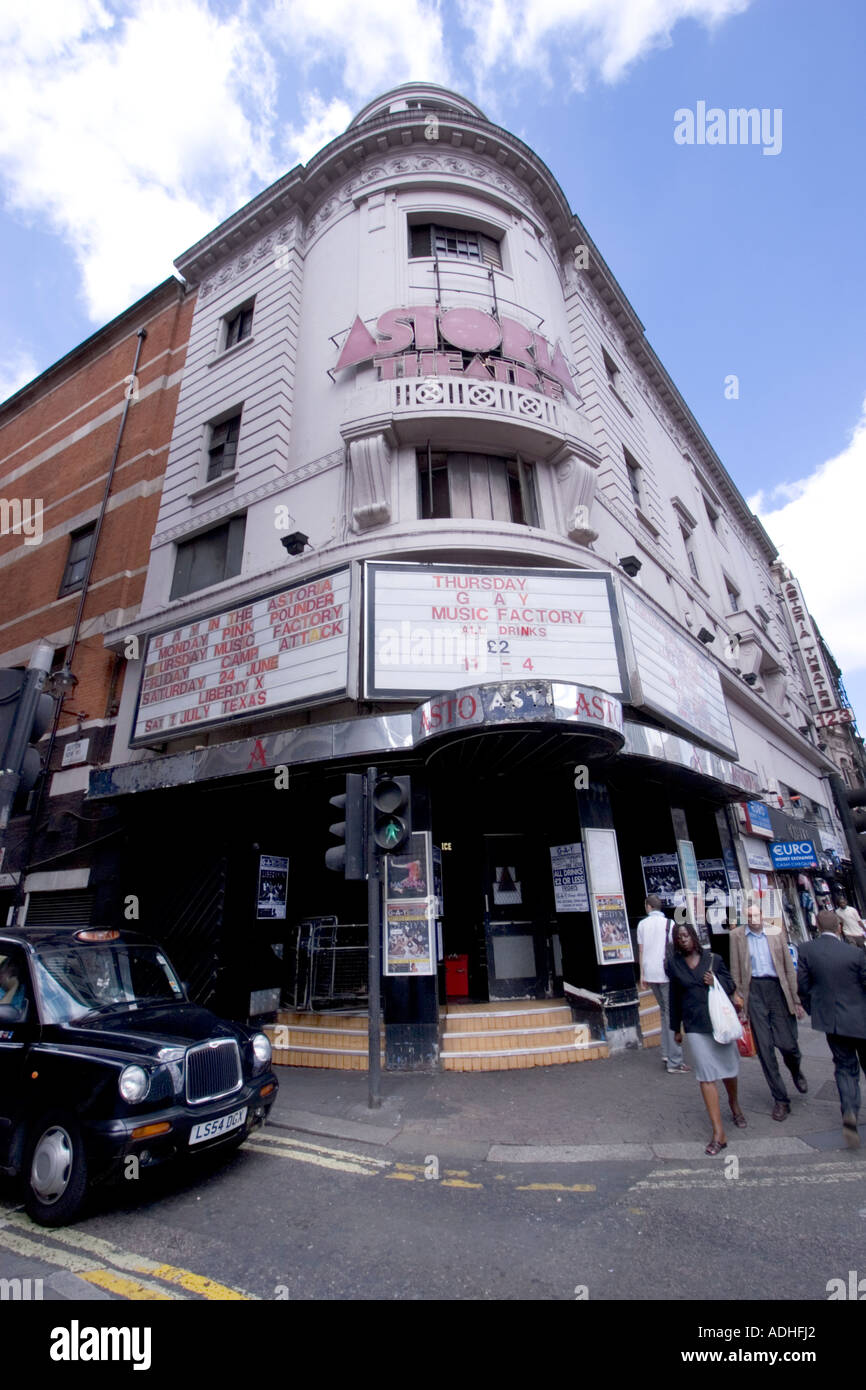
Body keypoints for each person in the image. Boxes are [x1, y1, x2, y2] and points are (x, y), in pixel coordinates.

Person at [667, 922, 746, 1154]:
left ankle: (734, 1105)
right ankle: (718, 1133)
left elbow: (731, 985)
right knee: (706, 1075)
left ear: (693, 936)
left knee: (729, 1069)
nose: (683, 939)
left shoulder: (714, 959)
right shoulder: (674, 965)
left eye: (686, 935)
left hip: (719, 1023)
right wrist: (676, 1028)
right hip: (694, 1025)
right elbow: (674, 996)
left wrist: (716, 981)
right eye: (678, 937)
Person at [729, 901, 806, 1121]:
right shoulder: (736, 936)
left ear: (762, 915)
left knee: (788, 1044)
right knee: (764, 1048)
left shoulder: (776, 933)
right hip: (754, 991)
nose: (753, 920)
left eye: (756, 915)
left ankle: (795, 1069)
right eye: (749, 916)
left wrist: (796, 999)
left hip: (777, 990)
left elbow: (789, 969)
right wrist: (740, 999)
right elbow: (736, 969)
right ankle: (781, 1099)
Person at [797, 909, 866, 1149]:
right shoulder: (856, 953)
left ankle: (850, 1113)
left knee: (845, 1068)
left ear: (816, 925)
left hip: (833, 1022)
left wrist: (815, 1010)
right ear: (839, 927)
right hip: (862, 1019)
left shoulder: (807, 951)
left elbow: (802, 987)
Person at [637, 894, 689, 1073]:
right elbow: (676, 949)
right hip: (666, 973)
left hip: (650, 973)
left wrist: (642, 975)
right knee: (671, 1015)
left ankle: (667, 1053)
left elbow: (641, 951)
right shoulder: (670, 924)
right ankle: (675, 1061)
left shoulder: (642, 925)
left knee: (663, 1013)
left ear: (648, 907)